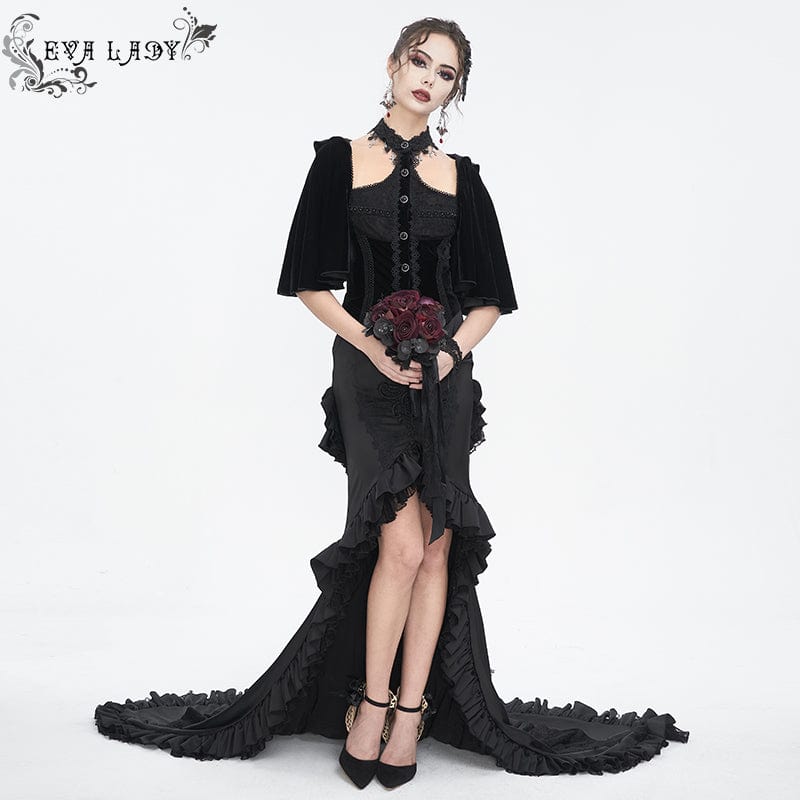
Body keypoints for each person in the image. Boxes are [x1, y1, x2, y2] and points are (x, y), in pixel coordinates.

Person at [93, 17, 689, 789]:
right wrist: (374, 347)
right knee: (399, 545)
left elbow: (491, 300)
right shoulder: (337, 162)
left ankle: (410, 714)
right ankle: (369, 706)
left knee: (436, 544)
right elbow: (310, 284)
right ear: (392, 62)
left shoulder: (462, 178)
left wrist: (447, 354)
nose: (428, 80)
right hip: (366, 375)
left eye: (446, 74)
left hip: (445, 379)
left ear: (455, 90)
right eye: (420, 61)